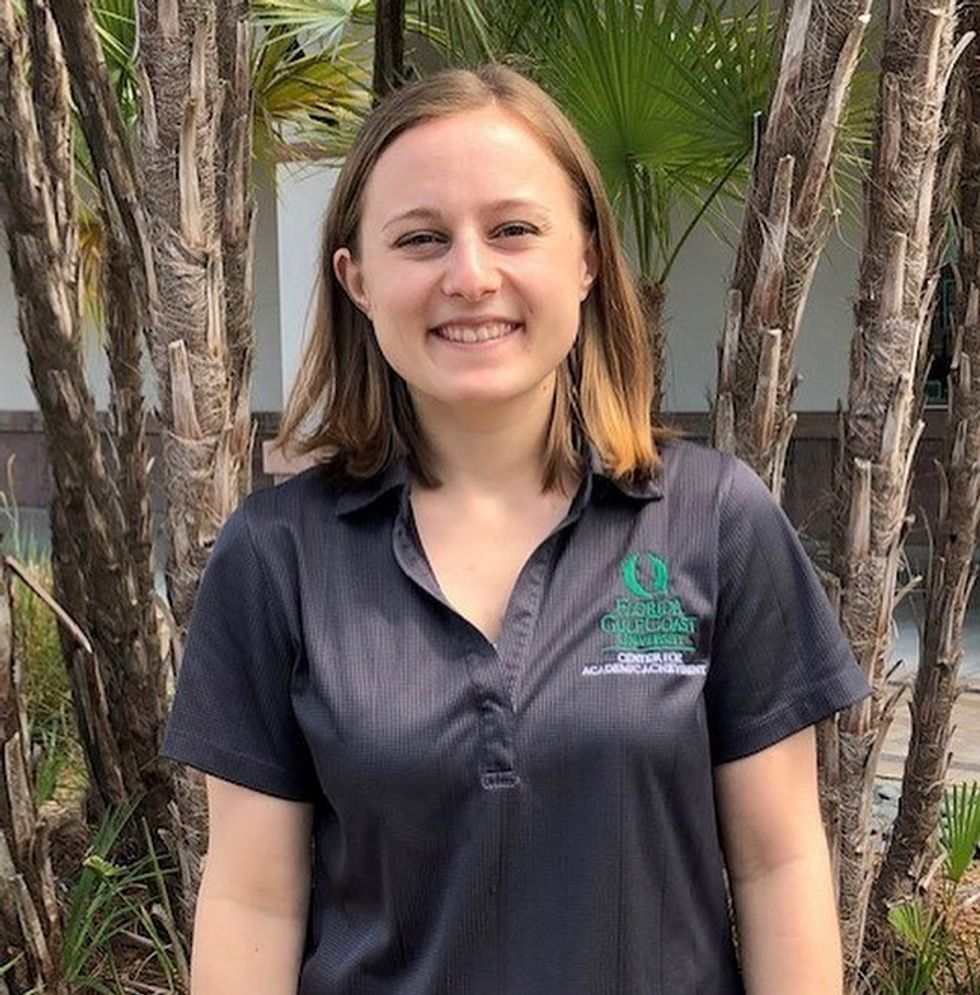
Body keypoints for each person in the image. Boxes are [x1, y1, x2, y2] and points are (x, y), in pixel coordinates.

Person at [161, 64, 870, 994]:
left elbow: (780, 865)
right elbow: (252, 900)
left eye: (513, 230)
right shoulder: (276, 557)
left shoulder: (715, 523)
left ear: (585, 259)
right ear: (358, 279)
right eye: (420, 238)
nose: (470, 276)